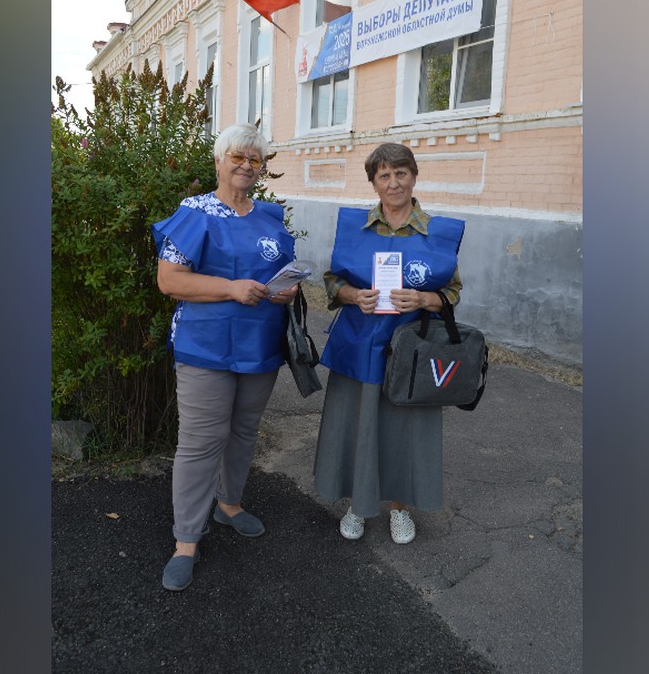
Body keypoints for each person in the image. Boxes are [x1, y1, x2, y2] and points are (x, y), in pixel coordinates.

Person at [151, 123, 298, 591]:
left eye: (255, 160)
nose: (246, 166)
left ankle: (229, 503)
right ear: (219, 161)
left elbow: (282, 273)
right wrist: (230, 288)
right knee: (200, 442)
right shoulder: (195, 213)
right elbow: (170, 280)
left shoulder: (270, 216)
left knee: (243, 431)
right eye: (237, 156)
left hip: (260, 345)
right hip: (206, 346)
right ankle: (186, 540)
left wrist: (287, 290)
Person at [313, 142, 464, 544]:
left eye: (401, 173)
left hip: (413, 350)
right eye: (384, 175)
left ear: (413, 176)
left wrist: (424, 299)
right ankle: (358, 504)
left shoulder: (438, 233)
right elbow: (333, 282)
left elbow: (452, 292)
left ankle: (400, 507)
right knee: (358, 424)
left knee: (405, 428)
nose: (393, 183)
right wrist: (353, 296)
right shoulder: (355, 227)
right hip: (359, 344)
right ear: (374, 182)